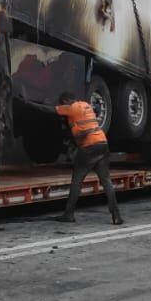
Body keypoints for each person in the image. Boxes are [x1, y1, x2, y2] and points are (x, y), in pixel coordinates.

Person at [55, 92, 122, 225]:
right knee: (106, 180)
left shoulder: (72, 107)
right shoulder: (86, 105)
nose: (63, 106)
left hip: (89, 146)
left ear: (67, 101)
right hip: (102, 142)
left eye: (63, 103)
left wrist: (27, 103)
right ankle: (116, 216)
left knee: (77, 181)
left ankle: (69, 214)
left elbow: (50, 110)